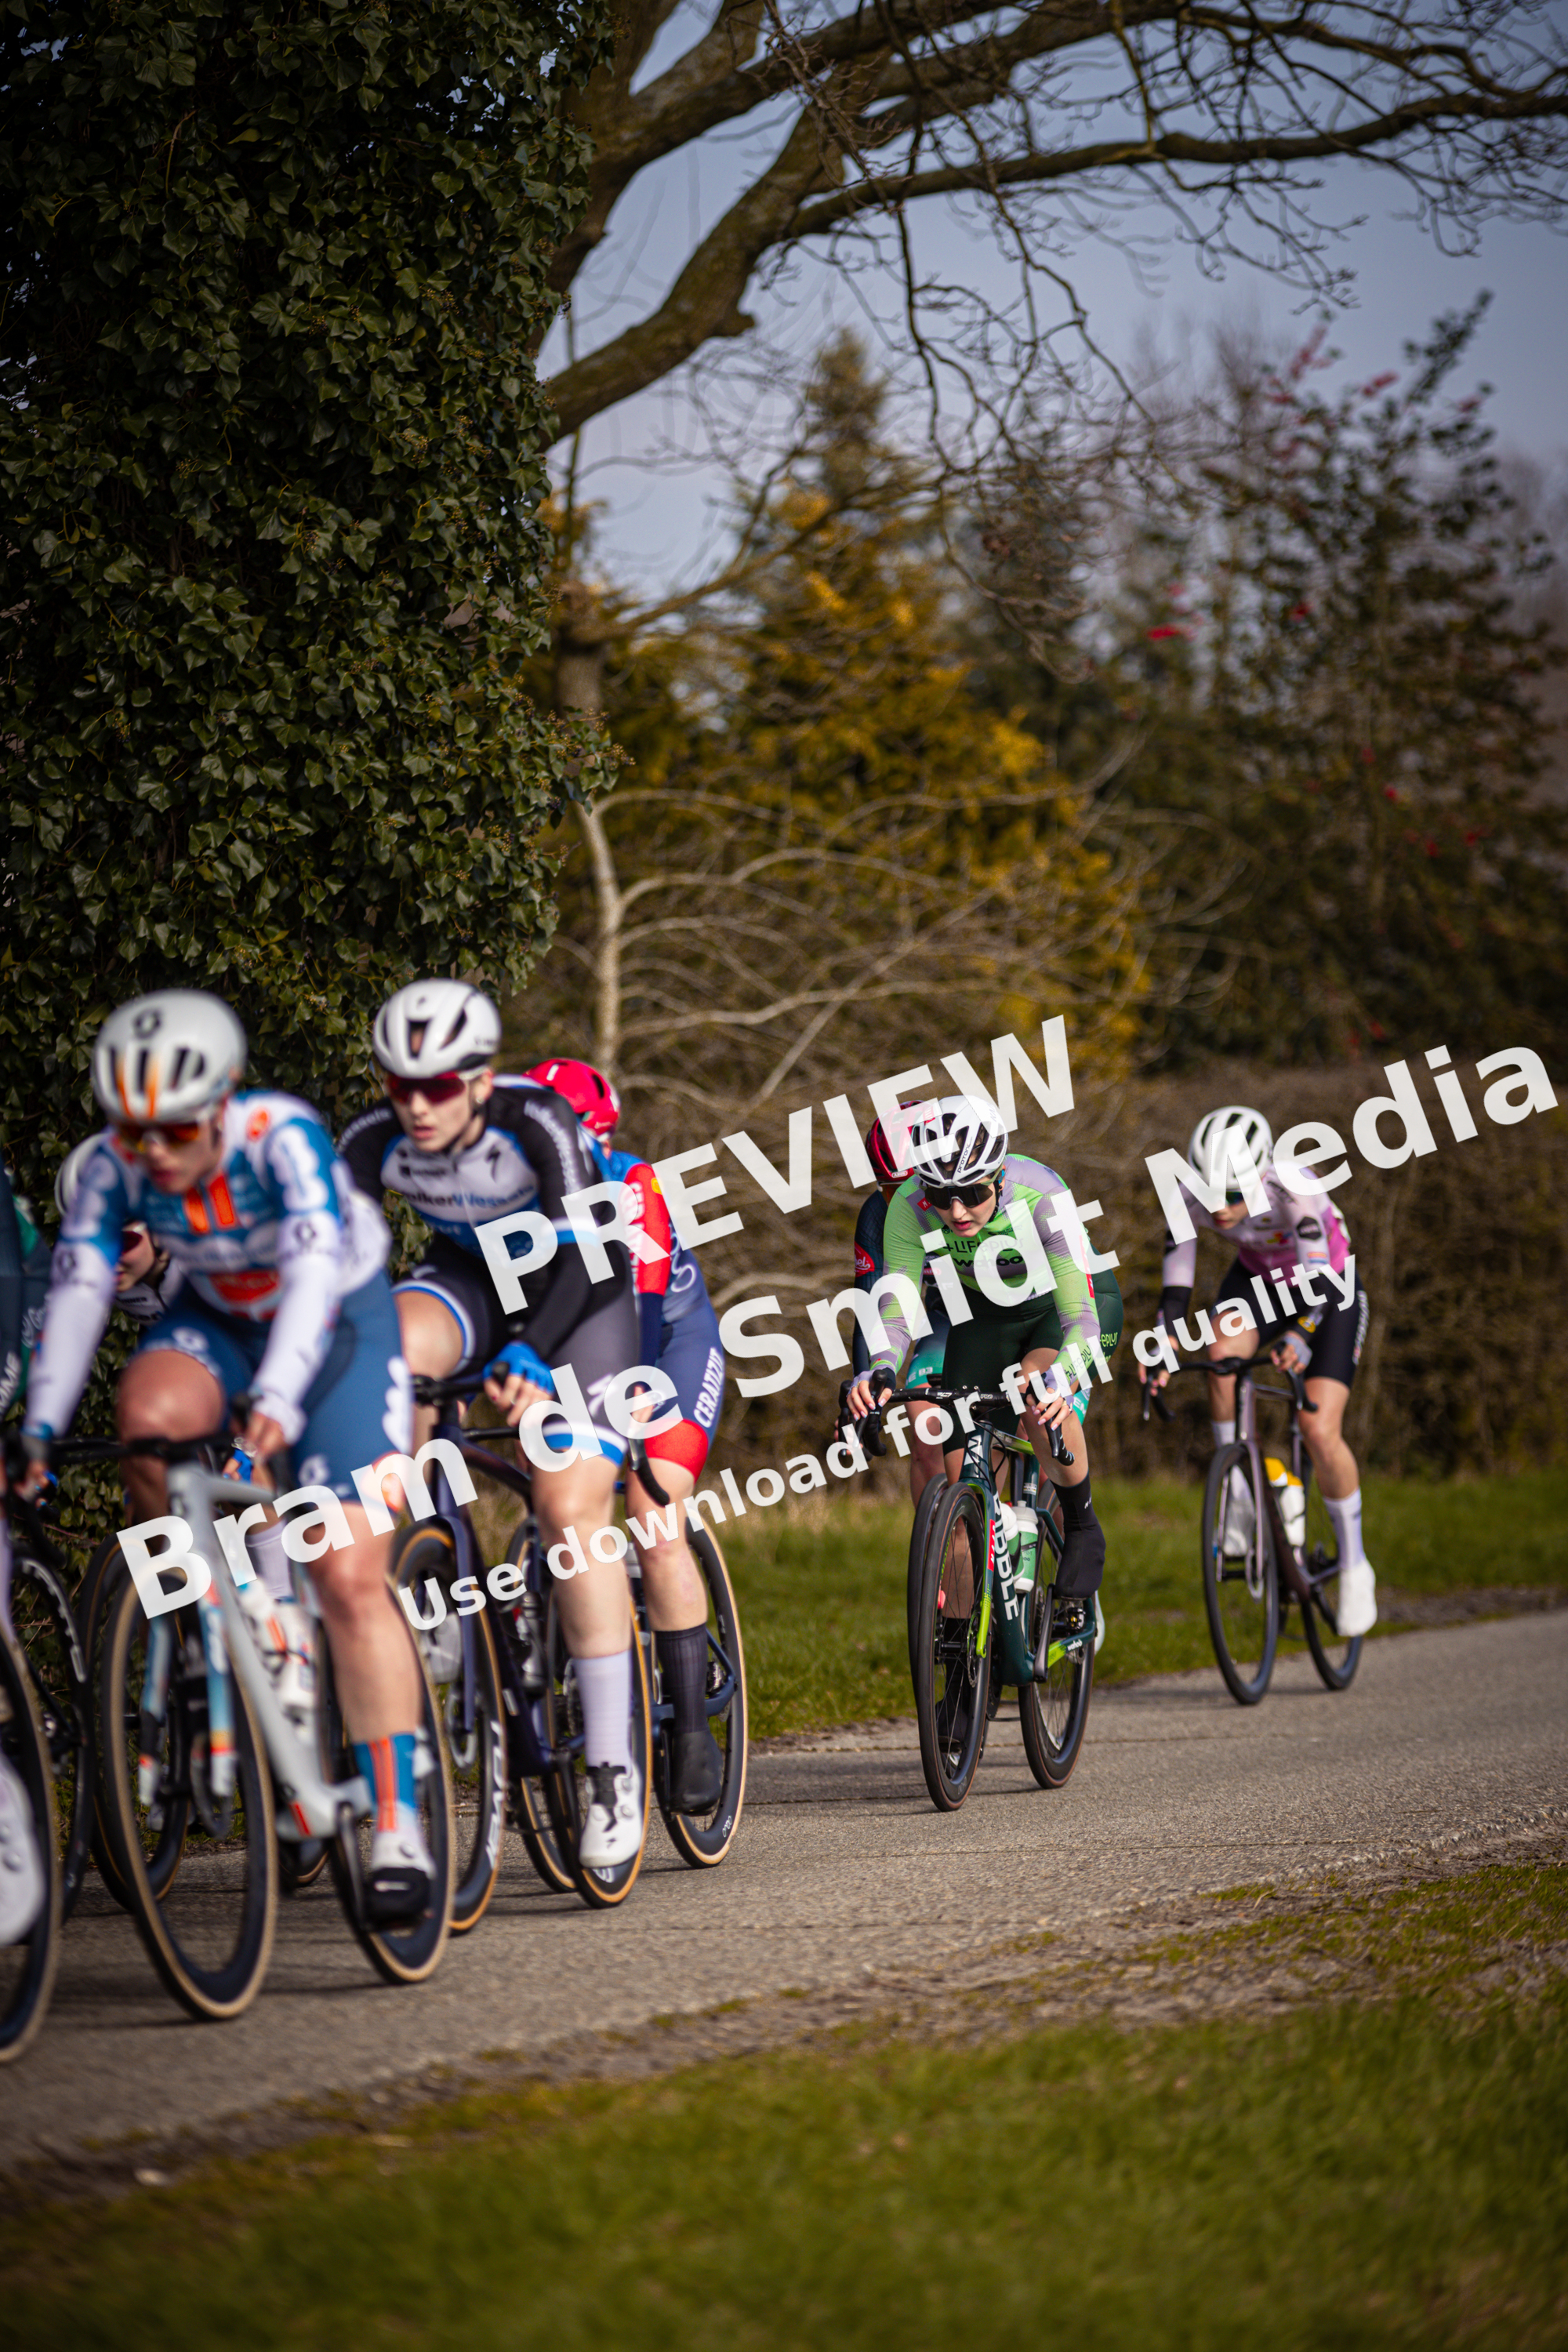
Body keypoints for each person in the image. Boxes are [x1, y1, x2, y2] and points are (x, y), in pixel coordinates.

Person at [16, 990, 437, 1924]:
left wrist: (278, 1404)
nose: (154, 1152)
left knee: (346, 1573)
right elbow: (83, 1291)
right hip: (220, 1319)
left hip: (335, 1326)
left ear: (224, 1102)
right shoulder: (115, 1168)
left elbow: (316, 1280)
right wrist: (39, 1426)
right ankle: (219, 1617)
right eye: (136, 1130)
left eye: (175, 1129)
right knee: (146, 1415)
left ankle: (398, 1822)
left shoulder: (279, 1139)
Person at [339, 987, 646, 1867]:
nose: (417, 1106)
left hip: (577, 1292)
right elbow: (342, 1275)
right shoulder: (370, 1141)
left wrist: (534, 1355)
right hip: (468, 1279)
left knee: (566, 1511)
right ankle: (429, 1563)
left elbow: (589, 1260)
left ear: (479, 1079)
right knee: (388, 1356)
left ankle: (613, 1768)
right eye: (400, 1085)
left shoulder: (537, 1121)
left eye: (438, 1086)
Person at [843, 1097, 1122, 1723]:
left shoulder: (1039, 1193)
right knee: (963, 1486)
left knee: (1032, 1391)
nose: (957, 1212)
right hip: (987, 1320)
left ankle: (1081, 1525)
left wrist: (1060, 1376)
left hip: (1066, 1309)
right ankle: (967, 1673)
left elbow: (1079, 1313)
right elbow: (895, 1307)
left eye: (970, 1194)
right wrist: (879, 1373)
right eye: (942, 1198)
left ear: (996, 1177)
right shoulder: (910, 1206)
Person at [524, 1057, 726, 1813]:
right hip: (570, 1350)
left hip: (668, 1342)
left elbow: (640, 1320)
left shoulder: (632, 1184)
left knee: (651, 1515)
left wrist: (619, 1414)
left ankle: (692, 1733)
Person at [1142, 1104, 1375, 1638]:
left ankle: (1356, 1563)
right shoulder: (1188, 1195)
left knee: (1318, 1426)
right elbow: (1175, 1290)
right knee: (1220, 1358)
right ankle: (1239, 1496)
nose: (1220, 1208)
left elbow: (1321, 1279)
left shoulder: (1294, 1186)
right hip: (1257, 1284)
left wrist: (1302, 1333)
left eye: (1233, 1194)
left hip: (1328, 1291)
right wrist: (1164, 1344)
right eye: (1209, 1193)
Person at [850, 1116, 949, 1506]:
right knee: (926, 1437)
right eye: (891, 1188)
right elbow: (870, 1308)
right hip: (943, 1316)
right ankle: (945, 1557)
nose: (904, 1198)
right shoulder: (878, 1215)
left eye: (913, 1184)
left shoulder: (965, 1203)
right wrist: (866, 1390)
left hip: (1007, 1309)